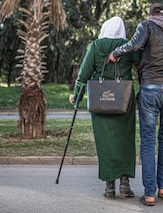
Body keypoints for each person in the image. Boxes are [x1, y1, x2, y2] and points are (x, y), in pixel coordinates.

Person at [107, 3, 163, 206]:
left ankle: (149, 194)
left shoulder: (147, 25)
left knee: (148, 140)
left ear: (150, 14)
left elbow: (133, 45)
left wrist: (116, 53)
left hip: (152, 88)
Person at [69, 16, 138, 199]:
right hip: (125, 100)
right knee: (125, 141)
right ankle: (125, 185)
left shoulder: (96, 46)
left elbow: (83, 75)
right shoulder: (128, 45)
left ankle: (109, 187)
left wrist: (76, 97)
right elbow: (143, 65)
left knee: (105, 143)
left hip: (101, 101)